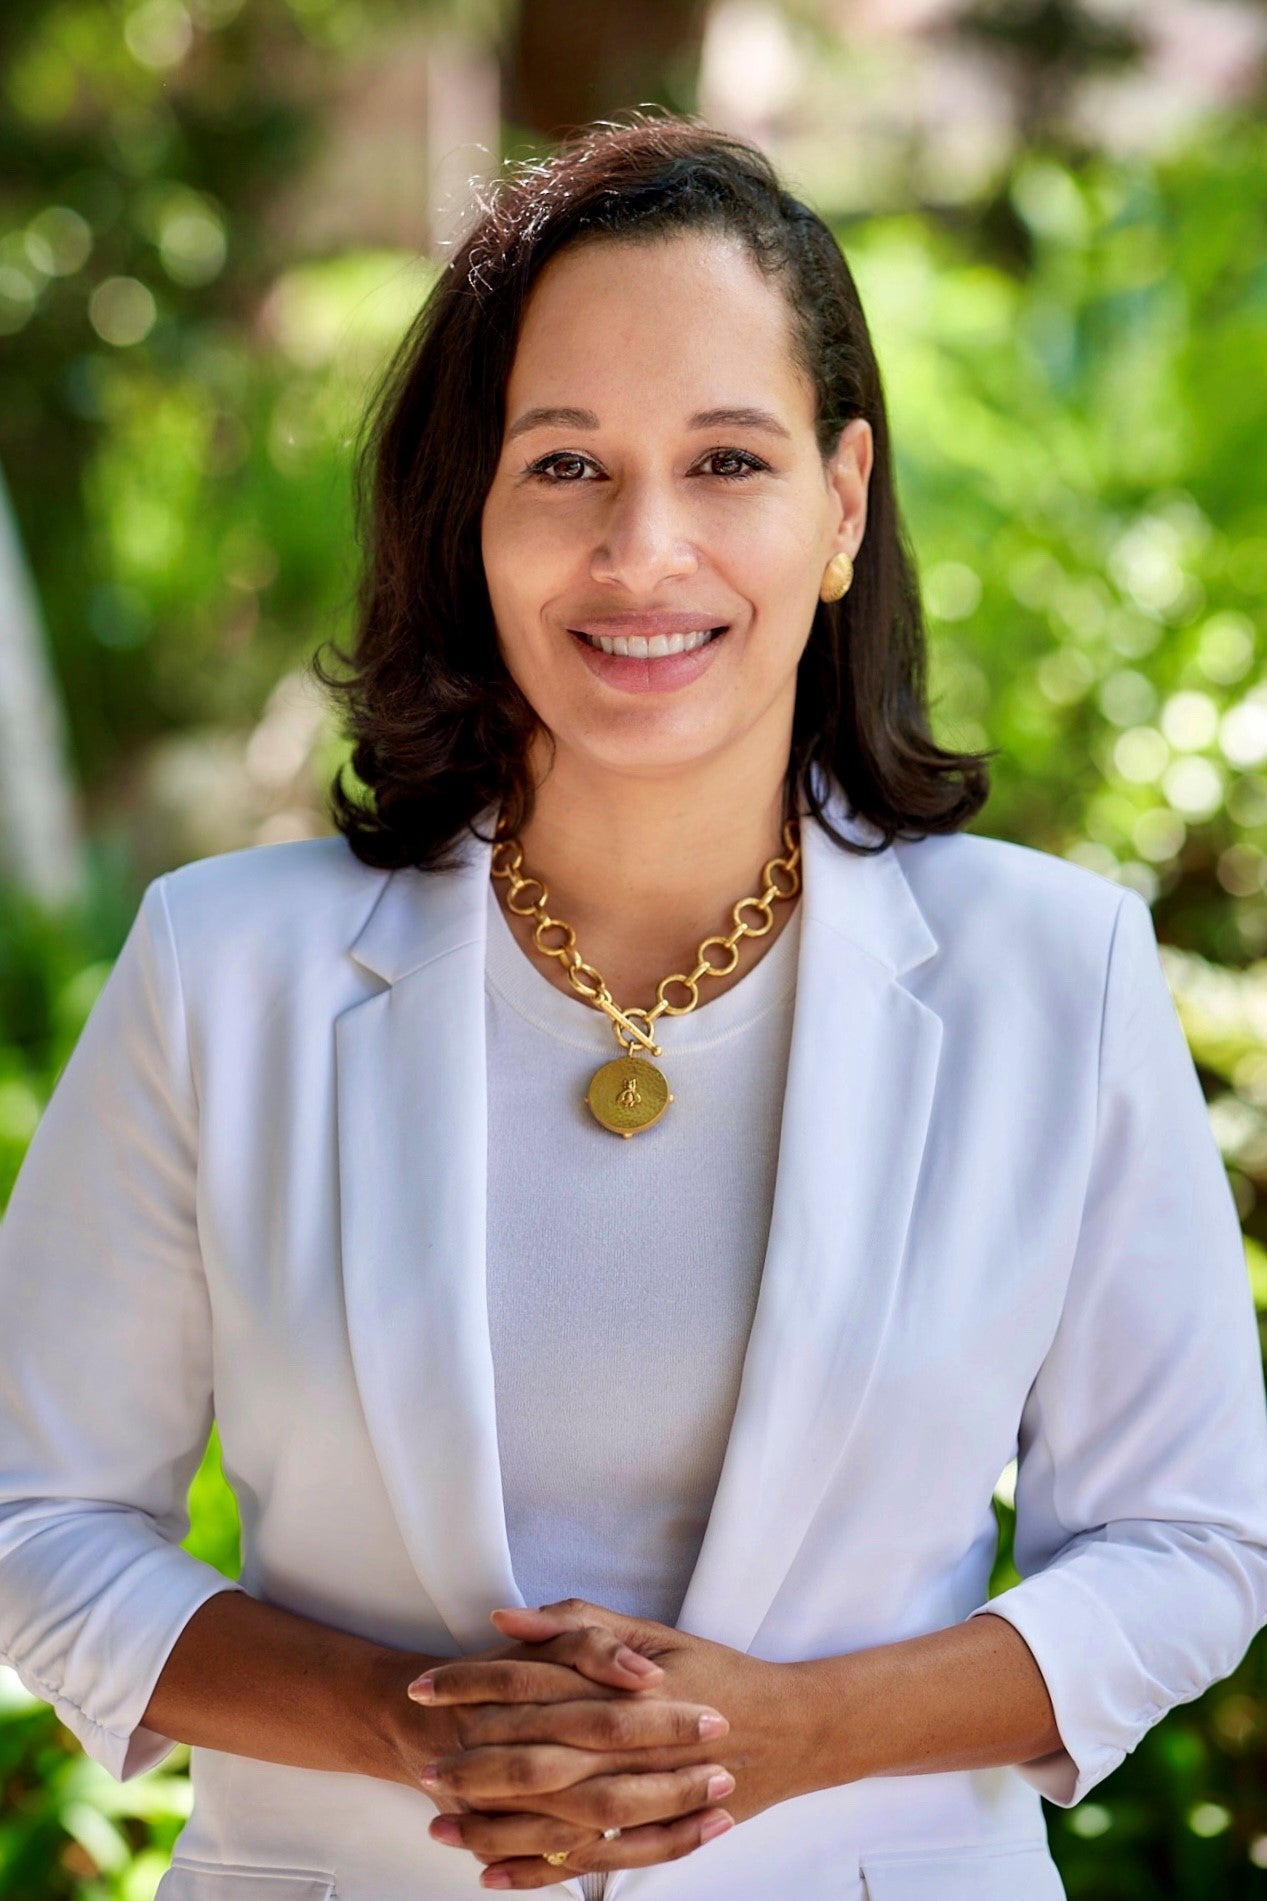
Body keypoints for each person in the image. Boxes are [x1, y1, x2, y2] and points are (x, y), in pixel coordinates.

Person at [1, 111, 1266, 1901]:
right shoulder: (224, 971)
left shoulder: (1054, 974)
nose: (644, 549)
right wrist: (406, 1719)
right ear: (474, 519)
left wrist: (794, 1732)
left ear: (841, 504)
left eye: (729, 462)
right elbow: (33, 1513)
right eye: (568, 465)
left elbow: (1189, 1538)